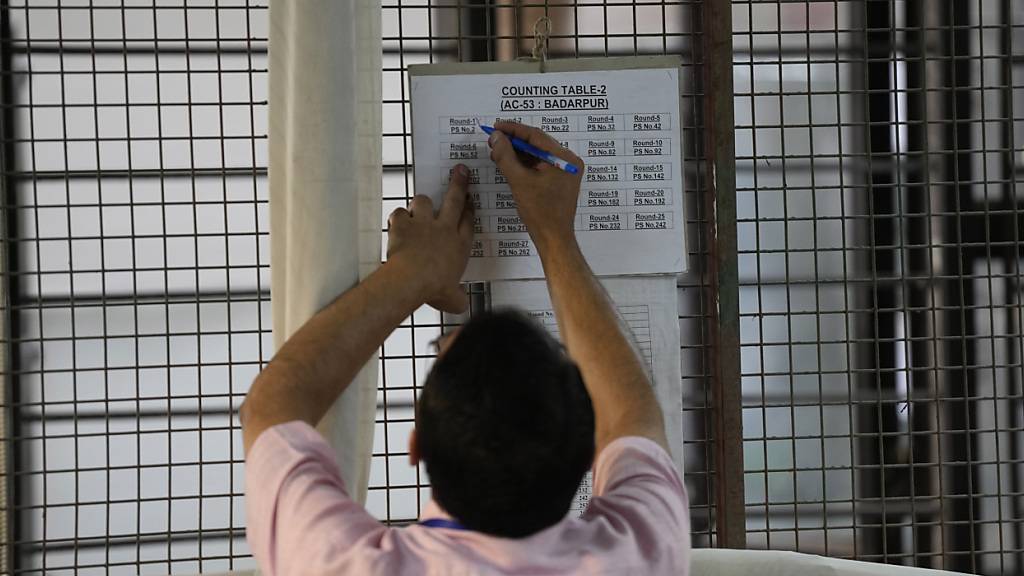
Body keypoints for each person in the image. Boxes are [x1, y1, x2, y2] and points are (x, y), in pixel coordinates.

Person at [240, 122, 691, 575]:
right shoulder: (637, 557)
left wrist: (415, 271)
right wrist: (556, 238)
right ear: (589, 454)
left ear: (415, 446)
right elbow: (631, 418)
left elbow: (272, 406)